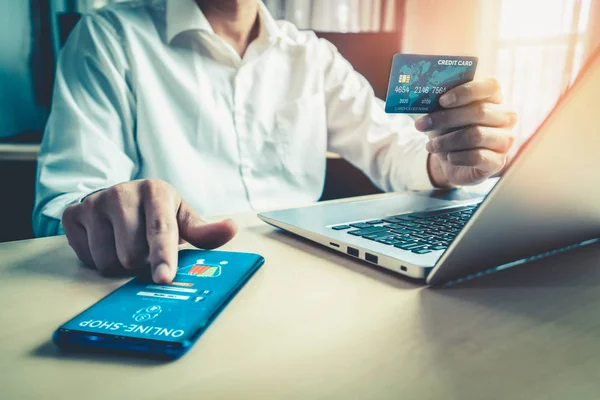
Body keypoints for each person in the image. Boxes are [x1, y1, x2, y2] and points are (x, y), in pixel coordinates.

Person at [33, 0, 517, 284]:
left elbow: (394, 148)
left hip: (306, 276)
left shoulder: (312, 54)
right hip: (172, 277)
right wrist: (99, 210)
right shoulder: (108, 36)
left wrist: (447, 163)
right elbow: (59, 209)